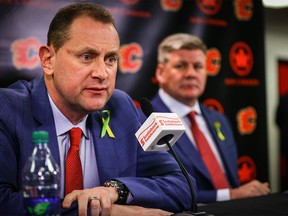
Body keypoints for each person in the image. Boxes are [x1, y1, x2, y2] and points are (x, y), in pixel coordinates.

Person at [0, 4, 195, 215]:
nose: (102, 73)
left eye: (110, 59)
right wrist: (107, 212)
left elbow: (183, 186)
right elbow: (4, 203)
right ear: (48, 60)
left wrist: (115, 191)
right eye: (87, 57)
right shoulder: (8, 110)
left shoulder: (122, 109)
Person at [144, 33, 270, 203]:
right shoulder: (146, 121)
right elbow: (157, 191)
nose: (191, 73)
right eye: (181, 66)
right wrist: (231, 195)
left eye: (198, 66)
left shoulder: (219, 120)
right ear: (160, 72)